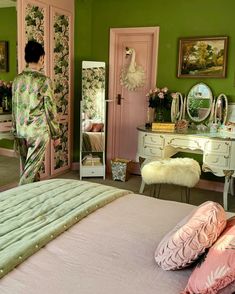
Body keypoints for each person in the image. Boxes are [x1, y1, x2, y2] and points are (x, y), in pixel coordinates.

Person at [12, 40, 60, 185]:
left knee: (31, 169)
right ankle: (18, 199)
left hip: (20, 131)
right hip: (37, 132)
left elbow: (15, 107)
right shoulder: (43, 81)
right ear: (41, 58)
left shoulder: (17, 80)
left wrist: (15, 130)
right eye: (43, 57)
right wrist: (56, 134)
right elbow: (50, 110)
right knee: (30, 171)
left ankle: (32, 197)